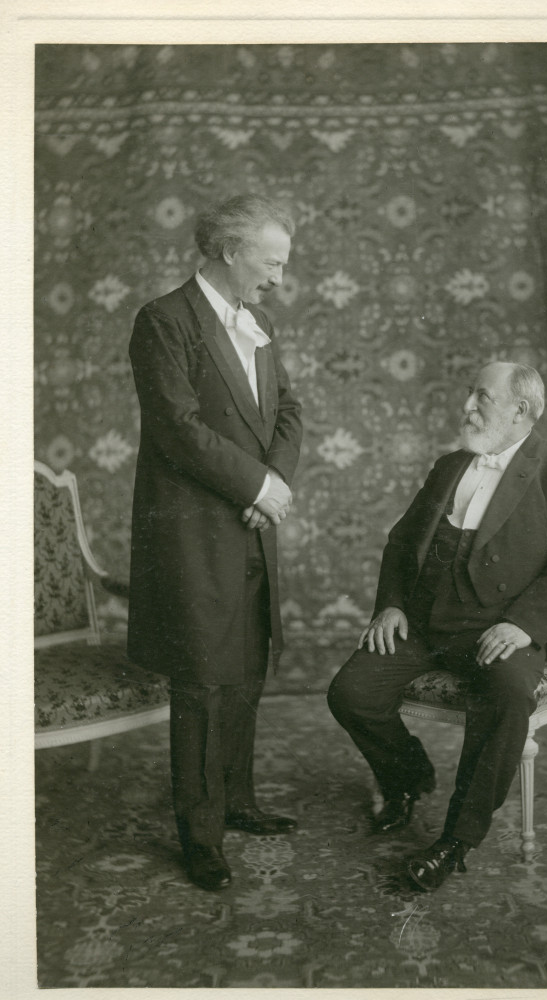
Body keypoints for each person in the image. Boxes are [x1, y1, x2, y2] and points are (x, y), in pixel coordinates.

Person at [327, 361, 547, 892]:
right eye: (470, 395)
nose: (467, 407)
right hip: (427, 621)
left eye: (481, 397)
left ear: (519, 410)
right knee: (350, 692)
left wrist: (523, 626)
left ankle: (455, 841)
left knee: (506, 695)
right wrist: (390, 606)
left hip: (502, 628)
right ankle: (409, 777)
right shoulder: (449, 465)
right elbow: (399, 541)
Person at [127, 194, 303, 891]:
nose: (279, 280)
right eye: (272, 262)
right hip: (195, 536)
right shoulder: (163, 322)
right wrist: (260, 488)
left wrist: (272, 486)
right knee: (202, 682)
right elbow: (177, 428)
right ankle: (200, 837)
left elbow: (288, 410)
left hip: (251, 526)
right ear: (230, 250)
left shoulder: (256, 322)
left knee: (246, 669)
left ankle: (239, 801)